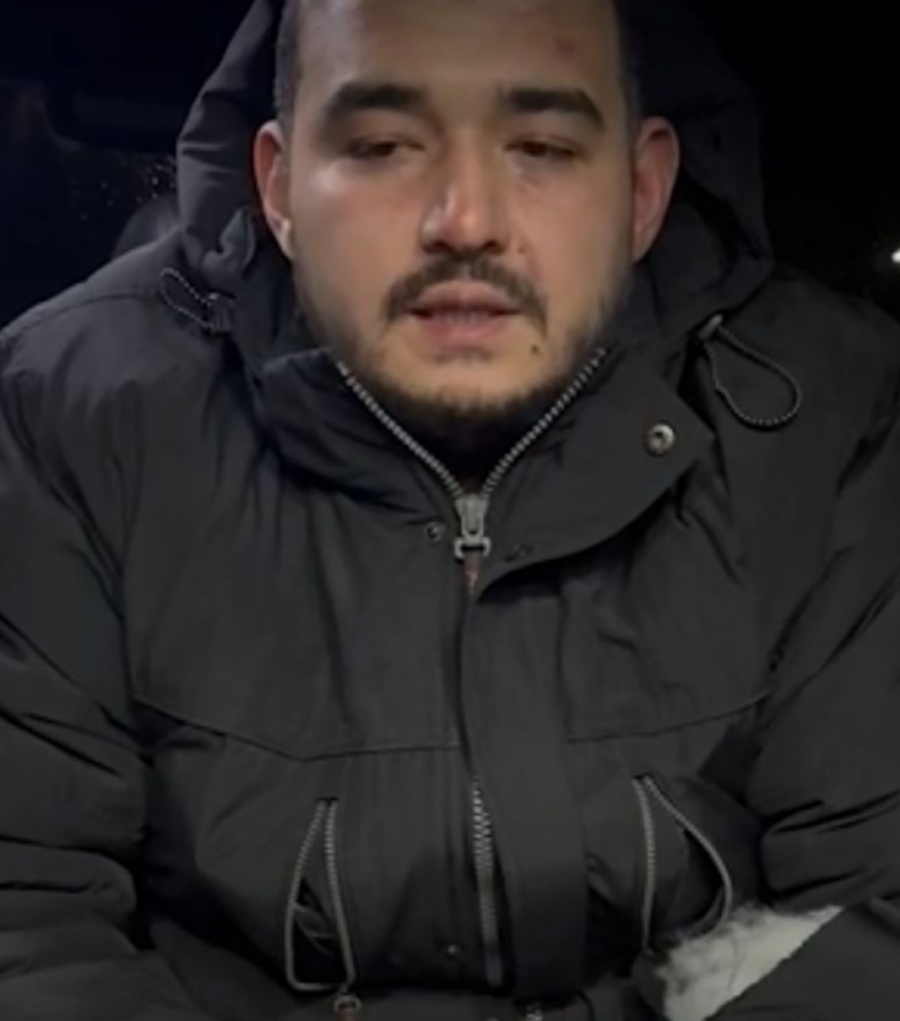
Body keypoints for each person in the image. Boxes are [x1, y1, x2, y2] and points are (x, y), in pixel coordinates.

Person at [1, 0, 900, 1018]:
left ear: (643, 190)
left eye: (542, 148)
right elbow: (26, 920)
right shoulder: (72, 414)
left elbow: (876, 922)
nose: (466, 221)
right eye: (382, 146)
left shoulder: (828, 418)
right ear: (280, 187)